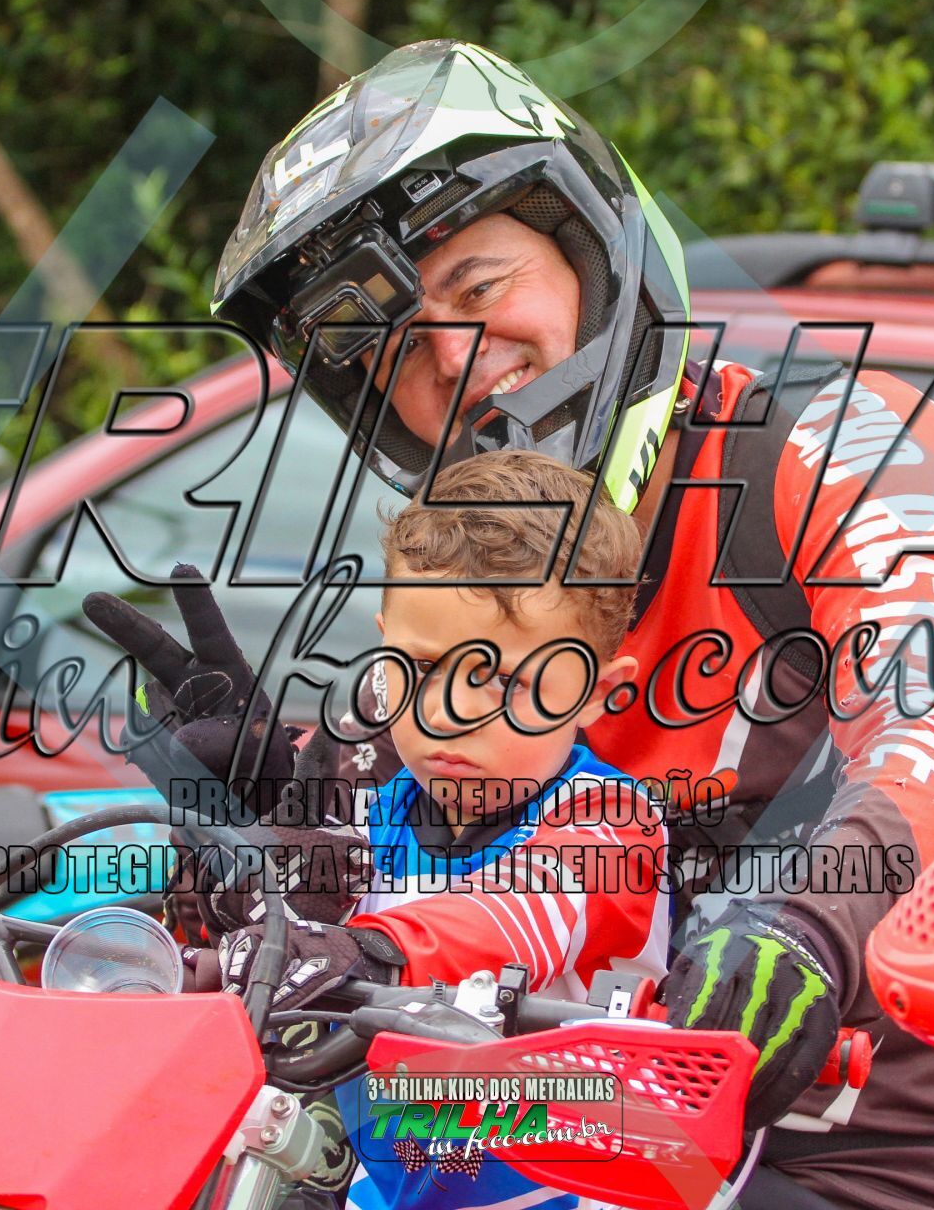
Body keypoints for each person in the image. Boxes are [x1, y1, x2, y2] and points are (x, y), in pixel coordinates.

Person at [98, 39, 934, 1209]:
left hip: (908, 1149)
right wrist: (271, 804)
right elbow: (379, 881)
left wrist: (807, 923)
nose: (452, 356)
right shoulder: (469, 573)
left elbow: (929, 728)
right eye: (398, 345)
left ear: (593, 250)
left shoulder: (832, 447)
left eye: (478, 288)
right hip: (594, 1140)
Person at [206, 449, 664, 1210]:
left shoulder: (611, 819)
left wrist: (374, 952)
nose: (452, 712)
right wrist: (227, 864)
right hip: (384, 1182)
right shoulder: (362, 805)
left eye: (506, 680)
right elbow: (260, 932)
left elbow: (523, 910)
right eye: (420, 668)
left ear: (596, 694)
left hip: (582, 1186)